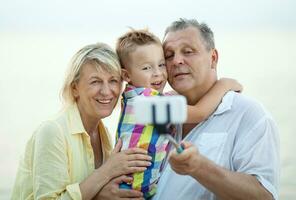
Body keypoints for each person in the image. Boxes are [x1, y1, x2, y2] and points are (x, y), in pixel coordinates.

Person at [152, 18, 280, 200]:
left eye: (188, 51)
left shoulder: (249, 114)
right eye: (169, 55)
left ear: (213, 58)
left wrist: (199, 167)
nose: (176, 60)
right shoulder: (160, 108)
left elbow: (264, 196)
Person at [11, 43, 152, 200]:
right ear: (74, 88)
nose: (106, 91)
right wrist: (107, 170)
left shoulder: (103, 133)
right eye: (95, 81)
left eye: (113, 80)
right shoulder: (52, 131)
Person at [114, 29, 242, 199]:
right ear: (126, 75)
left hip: (132, 184)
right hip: (136, 190)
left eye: (161, 64)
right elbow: (199, 113)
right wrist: (224, 85)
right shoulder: (148, 102)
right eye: (146, 68)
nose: (158, 73)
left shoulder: (132, 97)